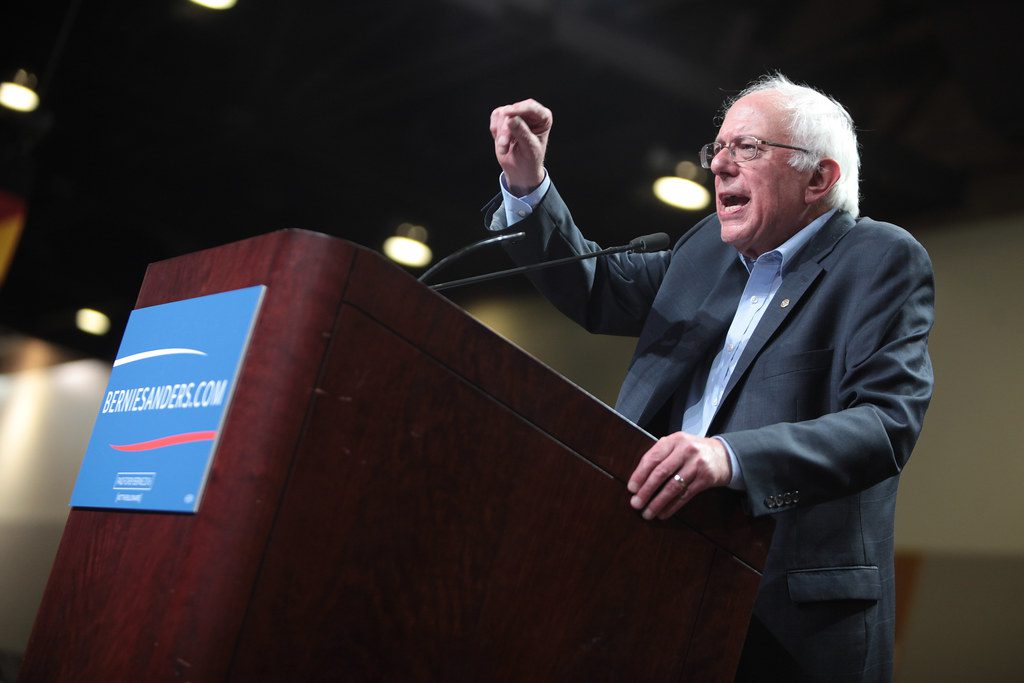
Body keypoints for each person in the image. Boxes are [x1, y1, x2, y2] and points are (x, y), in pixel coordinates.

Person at [484, 74, 934, 681]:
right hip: (662, 578)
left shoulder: (878, 259)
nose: (719, 165)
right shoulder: (706, 252)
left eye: (747, 148)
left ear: (819, 178)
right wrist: (527, 184)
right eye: (717, 149)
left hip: (789, 619)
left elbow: (886, 424)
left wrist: (729, 457)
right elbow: (596, 288)